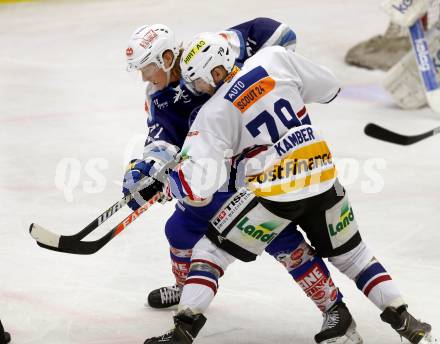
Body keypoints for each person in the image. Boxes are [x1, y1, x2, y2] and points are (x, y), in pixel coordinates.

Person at [143, 32, 437, 344]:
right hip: (322, 174)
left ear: (215, 72)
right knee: (355, 257)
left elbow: (195, 186)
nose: (196, 88)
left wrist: (167, 182)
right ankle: (409, 324)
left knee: (210, 252)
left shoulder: (214, 112)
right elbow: (329, 88)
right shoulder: (273, 59)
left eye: (197, 80)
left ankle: (183, 332)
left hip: (274, 194)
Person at [123, 20, 362, 344]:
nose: (144, 76)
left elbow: (276, 33)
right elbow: (163, 139)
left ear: (167, 57)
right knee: (179, 230)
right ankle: (186, 291)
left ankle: (335, 309)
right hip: (209, 178)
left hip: (258, 173)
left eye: (148, 66)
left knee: (283, 242)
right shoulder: (159, 96)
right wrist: (147, 168)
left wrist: (257, 76)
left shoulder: (208, 53)